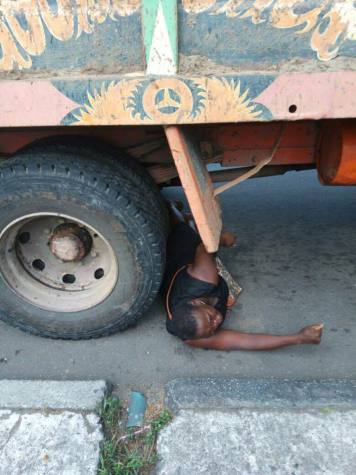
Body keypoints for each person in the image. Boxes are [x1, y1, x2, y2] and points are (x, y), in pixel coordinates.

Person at [163, 203, 323, 351]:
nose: (216, 322)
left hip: (182, 254)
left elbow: (204, 248)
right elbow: (245, 341)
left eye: (209, 318)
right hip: (170, 278)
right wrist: (299, 338)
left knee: (183, 229)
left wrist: (223, 240)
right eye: (211, 330)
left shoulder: (203, 279)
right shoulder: (194, 336)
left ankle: (170, 207)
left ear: (196, 302)